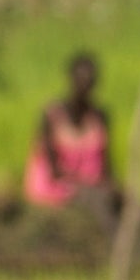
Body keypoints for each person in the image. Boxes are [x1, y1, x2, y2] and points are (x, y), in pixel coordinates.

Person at [22, 50, 116, 214]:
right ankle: (119, 239)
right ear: (71, 79)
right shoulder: (52, 116)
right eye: (81, 80)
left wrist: (112, 186)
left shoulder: (99, 117)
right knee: (99, 201)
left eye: (89, 82)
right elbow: (55, 172)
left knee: (125, 202)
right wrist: (90, 185)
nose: (85, 87)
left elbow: (106, 166)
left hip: (89, 186)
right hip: (56, 188)